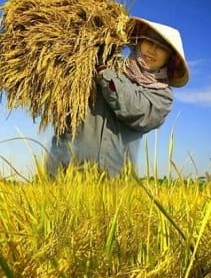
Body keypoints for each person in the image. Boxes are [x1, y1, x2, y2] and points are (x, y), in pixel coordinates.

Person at [46, 17, 190, 178]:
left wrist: (104, 74)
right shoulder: (99, 65)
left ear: (170, 58)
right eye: (149, 42)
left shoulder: (162, 95)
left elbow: (134, 109)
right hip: (65, 173)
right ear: (138, 42)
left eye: (161, 48)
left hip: (113, 181)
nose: (152, 51)